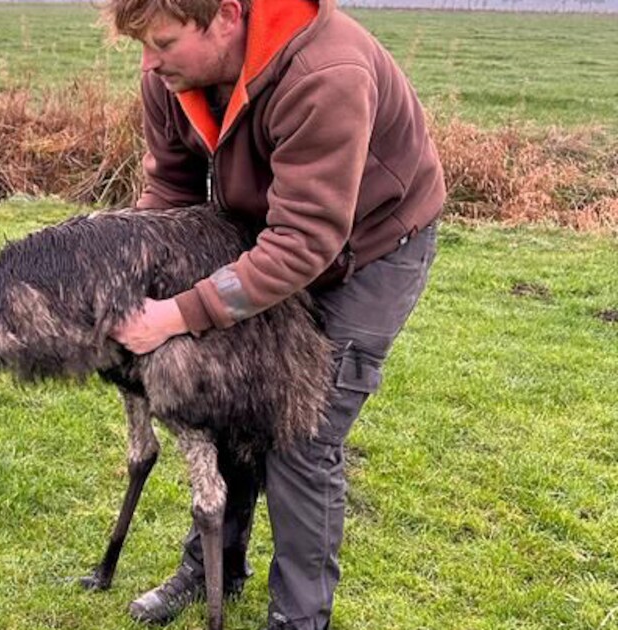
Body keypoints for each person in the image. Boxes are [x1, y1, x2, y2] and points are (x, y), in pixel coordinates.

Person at [102, 0, 445, 627]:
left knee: (300, 432)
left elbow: (305, 244)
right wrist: (120, 270)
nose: (149, 64)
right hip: (264, 236)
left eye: (164, 43)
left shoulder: (325, 73)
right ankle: (213, 571)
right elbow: (172, 194)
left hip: (370, 249)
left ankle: (298, 618)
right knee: (231, 404)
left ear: (226, 17)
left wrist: (181, 313)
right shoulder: (171, 79)